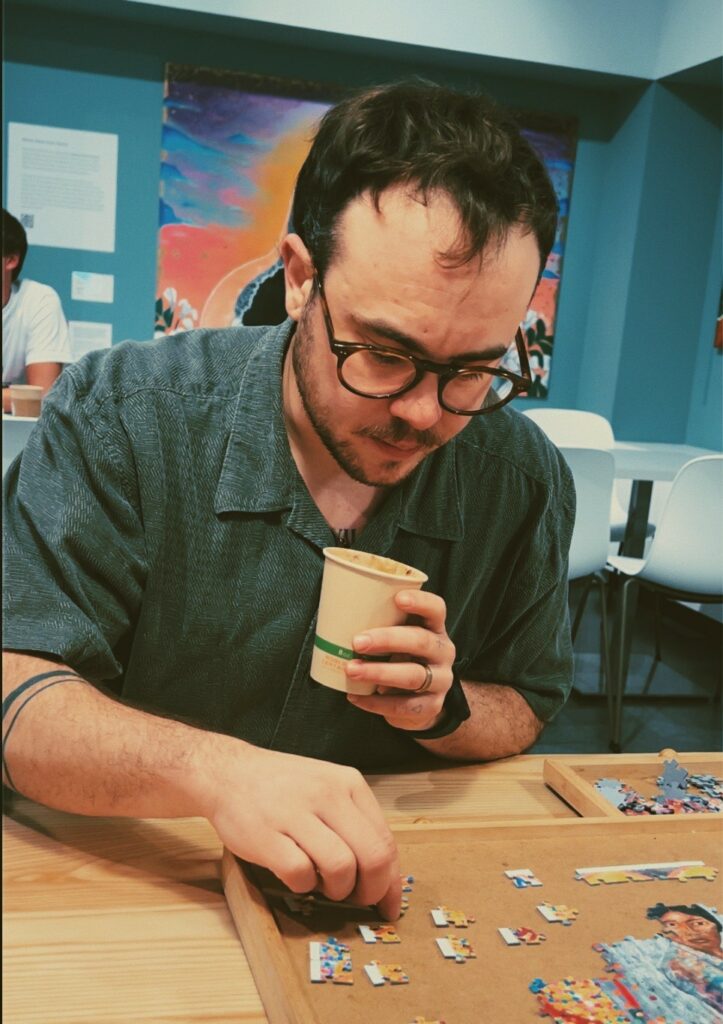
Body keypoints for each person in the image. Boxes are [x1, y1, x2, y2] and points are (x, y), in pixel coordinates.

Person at [3, 80, 574, 920]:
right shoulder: (125, 412)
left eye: (474, 369)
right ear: (300, 278)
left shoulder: (519, 476)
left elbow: (526, 701)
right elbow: (16, 684)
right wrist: (214, 771)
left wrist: (443, 708)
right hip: (119, 872)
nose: (423, 413)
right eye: (383, 353)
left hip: (386, 894)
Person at [2, 209, 72, 413]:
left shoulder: (39, 301)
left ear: (10, 260)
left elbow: (42, 395)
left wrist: (26, 398)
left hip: (21, 439)